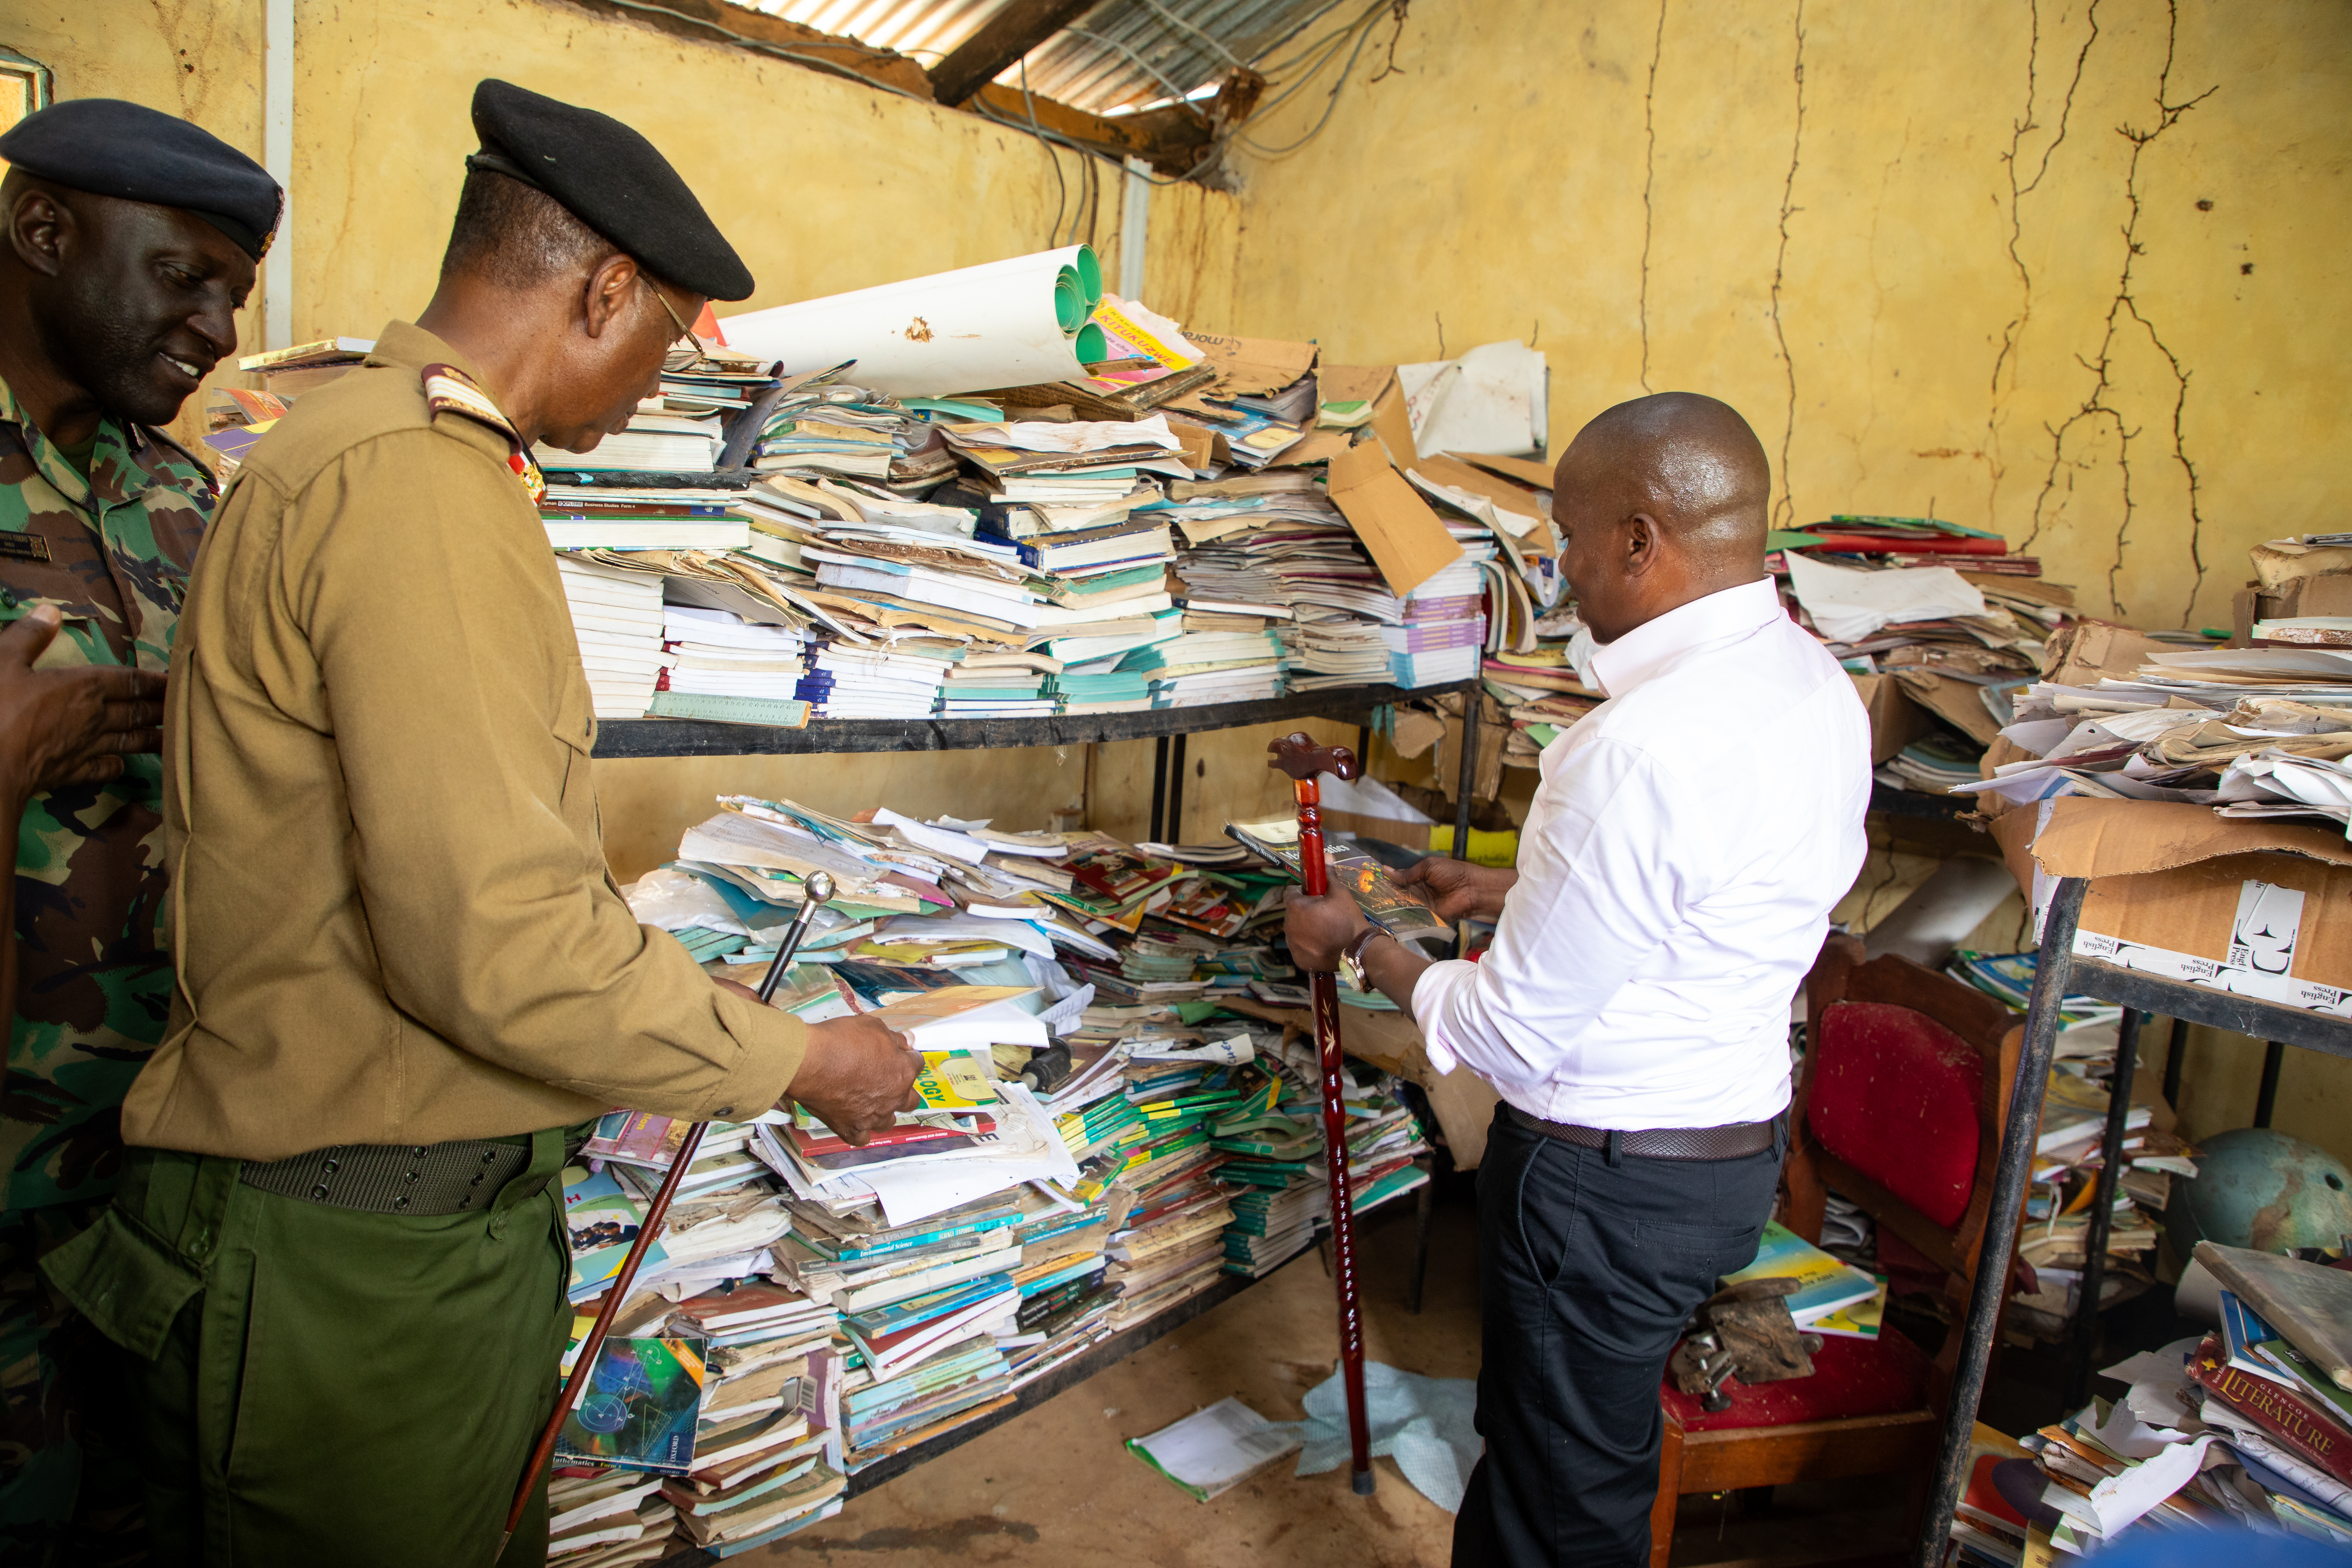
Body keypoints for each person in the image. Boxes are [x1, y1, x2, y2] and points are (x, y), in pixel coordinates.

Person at [44, 80, 918, 1566]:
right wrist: (803, 1059)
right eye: (667, 338)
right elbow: (498, 939)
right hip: (355, 1273)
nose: (659, 379)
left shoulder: (376, 454)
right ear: (606, 289)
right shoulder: (415, 489)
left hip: (392, 1238)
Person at [1284, 392, 1871, 1567]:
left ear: (1642, 540)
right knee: (1566, 1452)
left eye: (1568, 534)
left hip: (1604, 1187)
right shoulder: (1812, 682)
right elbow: (1711, 897)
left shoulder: (1635, 750)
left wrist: (1360, 944)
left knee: (1565, 1502)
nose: (1559, 566)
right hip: (1725, 1151)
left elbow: (1506, 1032)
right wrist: (1522, 891)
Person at [0, 98, 282, 1567]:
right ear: (44, 231)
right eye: (186, 277)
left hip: (153, 1179)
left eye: (233, 293)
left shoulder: (181, 498)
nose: (219, 329)